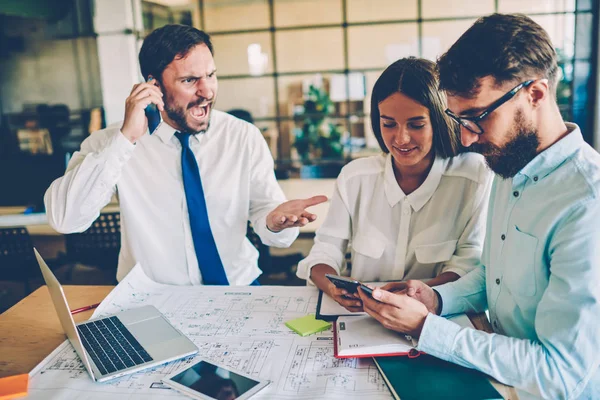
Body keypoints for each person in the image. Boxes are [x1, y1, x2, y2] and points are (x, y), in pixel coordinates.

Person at [357, 14, 600, 400]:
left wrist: (428, 329)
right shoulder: (508, 165)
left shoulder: (586, 204)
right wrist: (435, 299)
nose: (467, 139)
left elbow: (561, 372)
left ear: (535, 94)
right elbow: (495, 274)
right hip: (496, 375)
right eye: (459, 119)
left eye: (477, 117)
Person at [44, 24, 326, 285]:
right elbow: (66, 219)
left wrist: (273, 221)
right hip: (151, 300)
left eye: (211, 76)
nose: (207, 91)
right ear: (154, 86)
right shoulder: (112, 143)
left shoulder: (242, 136)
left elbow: (266, 214)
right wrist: (125, 140)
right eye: (190, 80)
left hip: (238, 289)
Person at [297, 58, 492, 312]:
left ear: (441, 121)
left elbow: (470, 260)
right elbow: (326, 249)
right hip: (363, 317)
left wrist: (420, 295)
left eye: (416, 125)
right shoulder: (355, 177)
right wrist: (334, 286)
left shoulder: (474, 177)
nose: (401, 138)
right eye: (388, 124)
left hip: (434, 317)